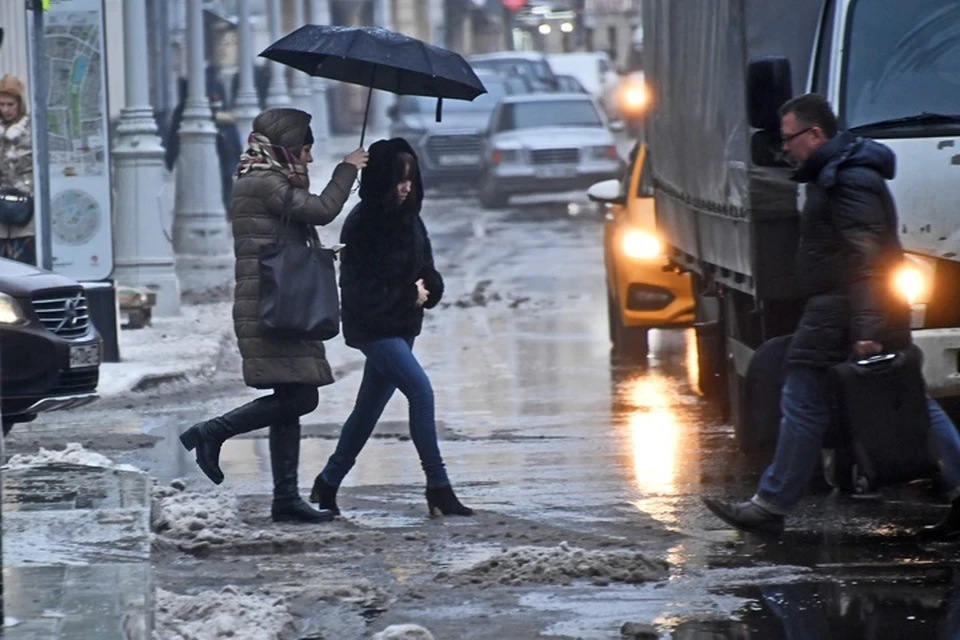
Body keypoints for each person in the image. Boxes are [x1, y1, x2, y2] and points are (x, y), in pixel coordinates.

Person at [702, 93, 960, 540]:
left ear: (815, 134)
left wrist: (867, 328)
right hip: (843, 310)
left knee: (806, 399)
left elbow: (868, 258)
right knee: (903, 400)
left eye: (789, 139)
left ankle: (771, 504)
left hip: (846, 311)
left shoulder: (848, 179)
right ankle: (772, 502)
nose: (785, 149)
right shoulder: (834, 174)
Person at [179, 107, 368, 524]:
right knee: (300, 396)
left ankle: (286, 498)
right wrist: (347, 169)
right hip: (274, 304)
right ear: (285, 147)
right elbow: (320, 210)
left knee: (292, 396)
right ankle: (212, 432)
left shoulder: (266, 177)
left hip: (278, 300)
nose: (309, 160)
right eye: (304, 151)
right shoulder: (264, 181)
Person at [308, 138, 473, 518]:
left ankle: (328, 482)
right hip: (374, 326)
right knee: (421, 391)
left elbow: (426, 267)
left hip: (403, 324)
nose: (406, 187)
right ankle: (438, 487)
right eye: (400, 179)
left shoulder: (410, 216)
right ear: (382, 178)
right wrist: (406, 294)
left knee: (368, 409)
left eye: (411, 179)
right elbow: (358, 288)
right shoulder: (363, 222)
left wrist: (426, 289)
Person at [0, 73, 34, 265]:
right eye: (1, 104)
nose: (5, 110)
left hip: (26, 203)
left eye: (10, 104)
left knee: (24, 261)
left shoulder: (30, 129)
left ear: (19, 104)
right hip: (1, 207)